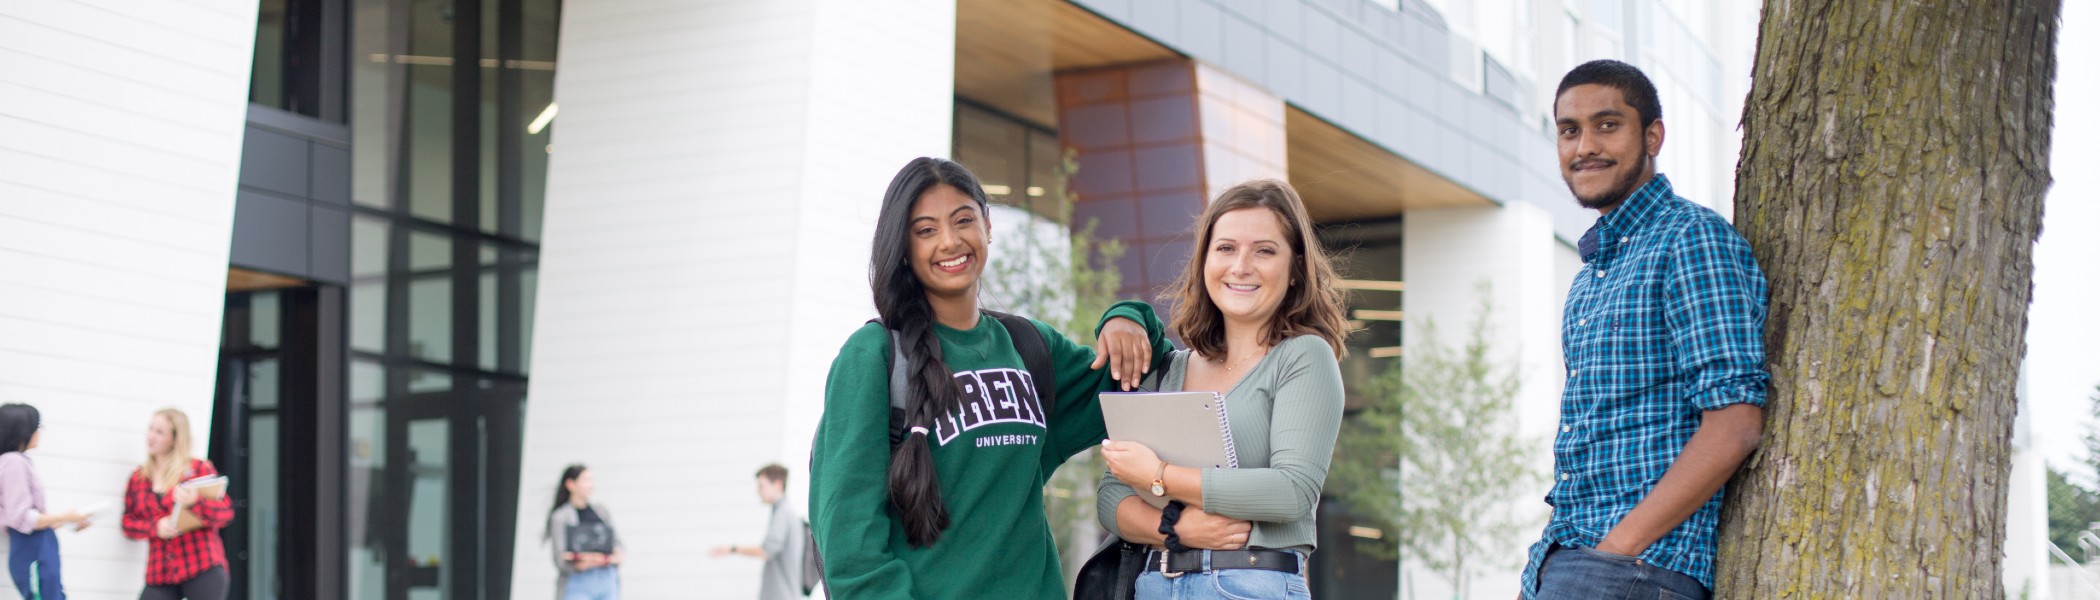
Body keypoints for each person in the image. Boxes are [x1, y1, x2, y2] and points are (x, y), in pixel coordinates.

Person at [809, 156, 1171, 599]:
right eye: (925, 230)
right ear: (903, 247)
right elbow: (850, 543)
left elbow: (1150, 373)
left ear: (987, 226)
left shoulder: (1029, 347)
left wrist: (1127, 319)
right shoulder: (874, 357)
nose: (949, 241)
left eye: (963, 220)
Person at [1519, 59, 1769, 600]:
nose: (1585, 145)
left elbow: (1735, 423)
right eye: (1569, 130)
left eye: (1607, 125)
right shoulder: (1591, 278)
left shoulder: (1691, 240)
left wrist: (1618, 548)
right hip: (1572, 561)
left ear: (1652, 135)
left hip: (1635, 569)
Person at [1095, 179, 1349, 600]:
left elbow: (1292, 492)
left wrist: (1159, 477)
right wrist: (1176, 528)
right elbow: (1112, 494)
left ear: (1295, 269)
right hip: (1157, 582)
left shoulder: (1303, 357)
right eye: (1226, 248)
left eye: (1264, 251)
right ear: (1204, 261)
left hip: (1249, 584)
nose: (1241, 266)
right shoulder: (1171, 369)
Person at [121, 408, 234, 600]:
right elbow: (128, 523)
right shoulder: (138, 478)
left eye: (160, 432)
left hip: (200, 564)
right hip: (160, 572)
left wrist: (195, 501)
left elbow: (225, 513)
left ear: (175, 438)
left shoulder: (197, 468)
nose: (151, 436)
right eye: (151, 429)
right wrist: (156, 527)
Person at [0, 404, 90, 600]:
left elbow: (32, 520)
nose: (39, 432)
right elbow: (21, 518)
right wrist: (64, 516)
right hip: (31, 548)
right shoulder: (13, 462)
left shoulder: (18, 461)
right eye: (37, 426)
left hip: (40, 544)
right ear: (22, 430)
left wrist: (69, 522)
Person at [709, 464, 802, 600]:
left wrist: (732, 549)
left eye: (761, 486)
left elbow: (766, 551)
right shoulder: (783, 512)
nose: (757, 491)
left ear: (777, 484)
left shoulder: (783, 513)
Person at [546, 465, 623, 600]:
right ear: (571, 484)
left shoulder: (601, 511)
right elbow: (559, 558)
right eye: (586, 480)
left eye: (592, 480)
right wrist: (582, 563)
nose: (590, 485)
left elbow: (616, 542)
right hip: (578, 580)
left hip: (606, 578)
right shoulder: (561, 516)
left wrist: (617, 555)